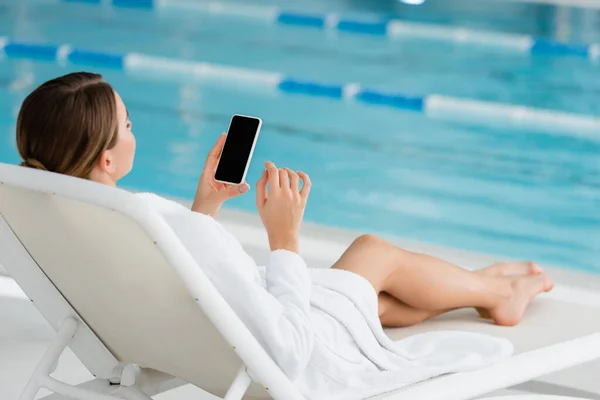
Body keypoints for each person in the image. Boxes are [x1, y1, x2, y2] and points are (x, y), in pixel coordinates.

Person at [15, 72, 553, 399]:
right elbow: (291, 352)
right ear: (107, 157)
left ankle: (481, 285)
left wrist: (205, 206)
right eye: (128, 124)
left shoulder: (70, 215)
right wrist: (284, 237)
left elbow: (184, 273)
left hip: (199, 339)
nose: (136, 130)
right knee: (372, 253)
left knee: (372, 298)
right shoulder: (146, 219)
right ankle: (497, 295)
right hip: (275, 354)